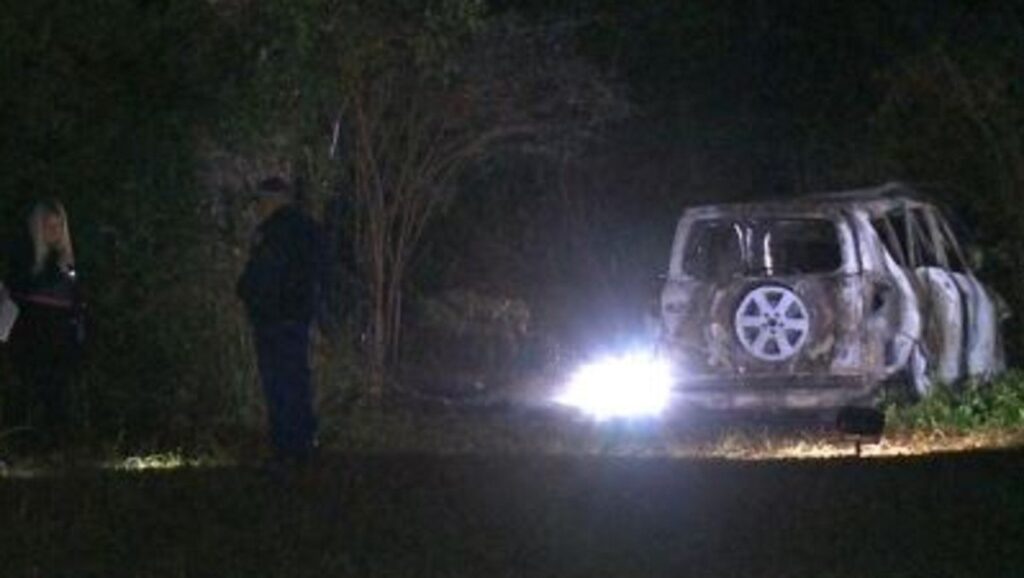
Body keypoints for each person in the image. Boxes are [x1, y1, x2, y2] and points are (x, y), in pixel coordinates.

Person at [237, 177, 324, 469]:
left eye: (261, 201)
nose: (259, 208)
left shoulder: (272, 232)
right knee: (297, 378)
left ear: (273, 200)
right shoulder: (309, 230)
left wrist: (245, 290)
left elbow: (263, 275)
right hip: (297, 316)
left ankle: (285, 448)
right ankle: (303, 444)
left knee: (278, 382)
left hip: (273, 318)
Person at [3, 198, 85, 449]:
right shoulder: (26, 262)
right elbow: (17, 295)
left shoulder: (69, 263)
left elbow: (78, 302)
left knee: (59, 392)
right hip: (34, 337)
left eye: (58, 226)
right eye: (48, 226)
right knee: (35, 390)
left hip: (62, 338)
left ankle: (58, 444)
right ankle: (31, 442)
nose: (54, 232)